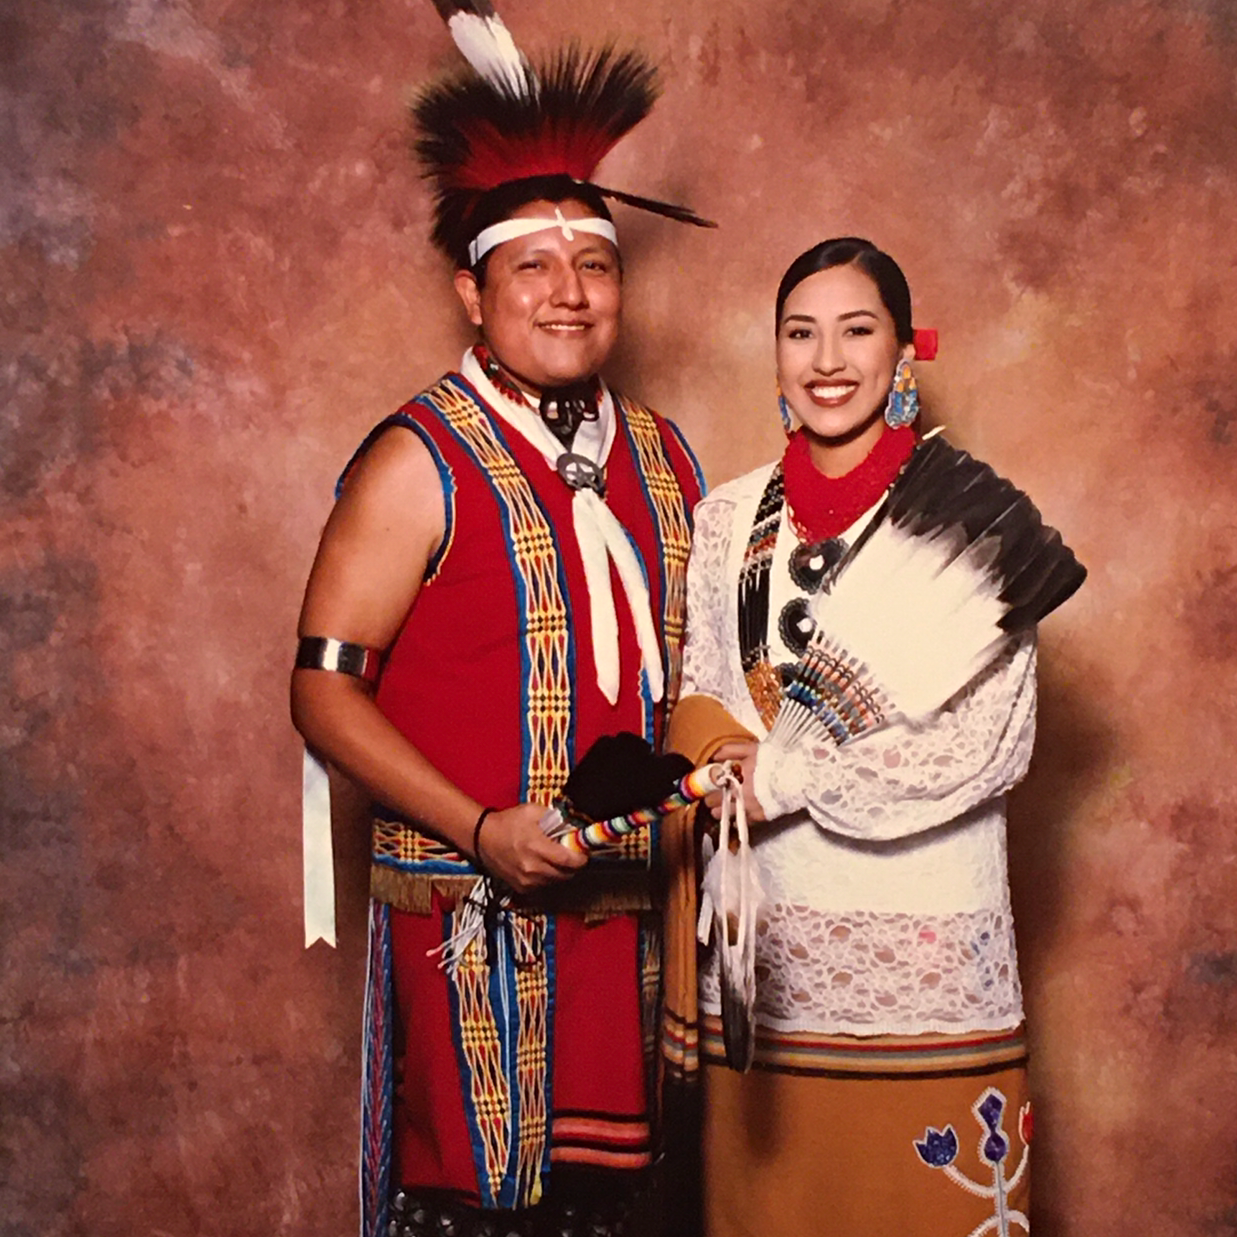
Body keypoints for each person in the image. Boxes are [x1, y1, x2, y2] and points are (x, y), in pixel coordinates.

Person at [291, 40, 708, 1237]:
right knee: (484, 1214)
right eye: (533, 264)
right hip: (471, 929)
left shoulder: (667, 458)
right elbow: (321, 697)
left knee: (626, 1211)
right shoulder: (419, 459)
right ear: (475, 292)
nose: (569, 290)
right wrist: (479, 827)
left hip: (630, 929)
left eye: (593, 262)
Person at [663, 237, 1074, 1237]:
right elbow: (703, 688)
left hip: (924, 942)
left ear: (903, 357)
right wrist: (725, 762)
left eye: (857, 331)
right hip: (768, 936)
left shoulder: (968, 530)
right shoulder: (726, 521)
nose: (826, 359)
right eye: (799, 334)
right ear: (774, 358)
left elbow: (986, 743)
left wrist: (791, 774)